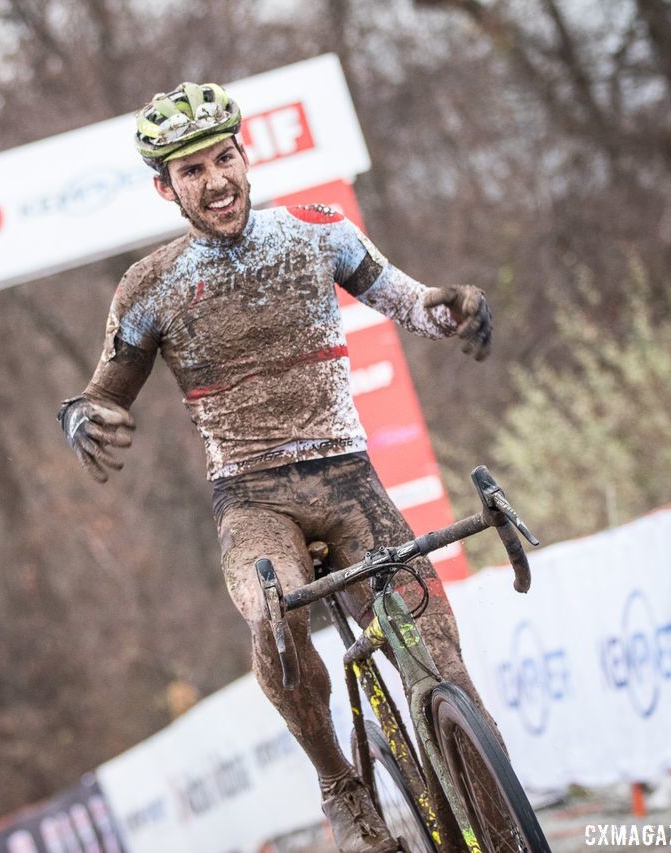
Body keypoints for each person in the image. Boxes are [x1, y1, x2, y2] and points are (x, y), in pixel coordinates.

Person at [57, 82, 495, 853]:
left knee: (444, 662)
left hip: (349, 484)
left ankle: (494, 816)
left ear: (244, 153)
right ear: (166, 188)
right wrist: (80, 418)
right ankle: (341, 785)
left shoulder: (318, 232)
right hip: (253, 502)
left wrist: (453, 307)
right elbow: (103, 392)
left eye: (224, 157)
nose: (217, 180)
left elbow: (409, 303)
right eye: (192, 172)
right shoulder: (148, 286)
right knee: (276, 614)